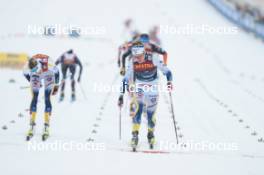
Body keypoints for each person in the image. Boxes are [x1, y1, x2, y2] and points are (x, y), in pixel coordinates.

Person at [118, 42, 173, 151]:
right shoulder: (132, 61)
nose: (137, 59)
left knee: (150, 115)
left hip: (153, 88)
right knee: (137, 111)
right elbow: (125, 79)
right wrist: (121, 95)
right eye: (135, 56)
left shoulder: (154, 58)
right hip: (139, 88)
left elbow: (168, 72)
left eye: (139, 56)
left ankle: (150, 134)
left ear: (144, 52)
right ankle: (135, 135)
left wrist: (169, 82)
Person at [23, 54, 60, 141]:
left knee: (47, 98)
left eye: (35, 69)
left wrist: (56, 86)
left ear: (38, 64)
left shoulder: (48, 64)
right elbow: (26, 74)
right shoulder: (26, 67)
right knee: (34, 97)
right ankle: (32, 125)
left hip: (48, 74)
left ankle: (46, 125)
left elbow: (57, 72)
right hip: (36, 77)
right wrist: (32, 81)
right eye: (32, 70)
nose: (35, 70)